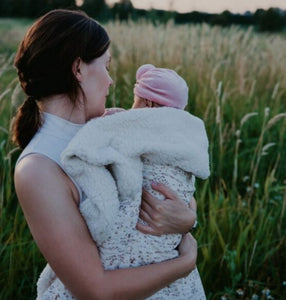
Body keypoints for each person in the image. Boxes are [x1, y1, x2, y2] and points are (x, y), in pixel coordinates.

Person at [12, 9, 199, 300]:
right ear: (78, 69)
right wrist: (185, 263)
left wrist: (187, 219)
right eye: (106, 66)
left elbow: (166, 180)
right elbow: (94, 289)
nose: (111, 81)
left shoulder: (110, 127)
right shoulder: (39, 168)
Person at [61, 64, 210, 299]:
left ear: (148, 105)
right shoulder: (187, 134)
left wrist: (112, 118)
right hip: (170, 242)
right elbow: (185, 189)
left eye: (135, 102)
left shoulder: (135, 126)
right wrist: (190, 217)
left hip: (137, 234)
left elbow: (109, 134)